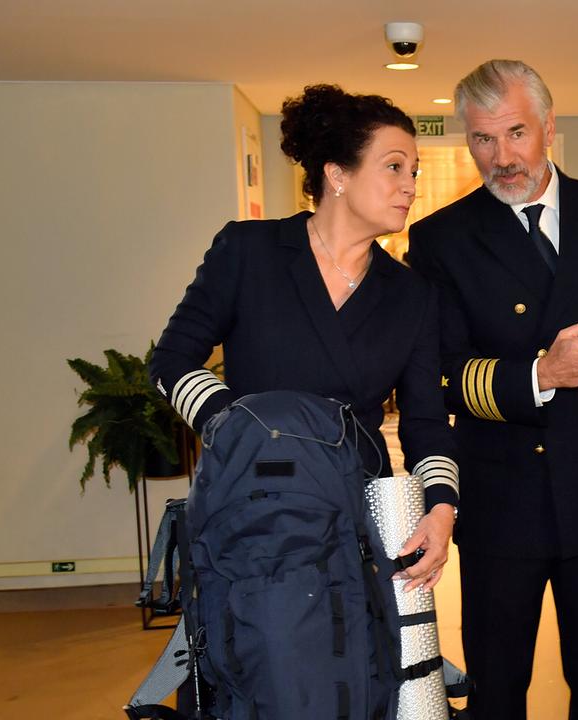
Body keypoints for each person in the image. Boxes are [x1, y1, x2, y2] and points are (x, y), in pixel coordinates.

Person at [406, 60, 578, 719]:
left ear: (549, 125)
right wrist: (541, 375)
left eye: (516, 132)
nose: (502, 156)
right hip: (499, 503)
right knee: (496, 689)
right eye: (482, 139)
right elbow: (443, 378)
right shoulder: (440, 239)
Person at [151, 84, 459, 591]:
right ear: (337, 174)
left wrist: (442, 506)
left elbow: (425, 422)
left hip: (356, 519)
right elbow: (171, 362)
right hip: (252, 512)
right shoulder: (249, 252)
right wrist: (241, 431)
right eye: (394, 167)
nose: (410, 186)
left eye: (414, 172)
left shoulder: (413, 295)